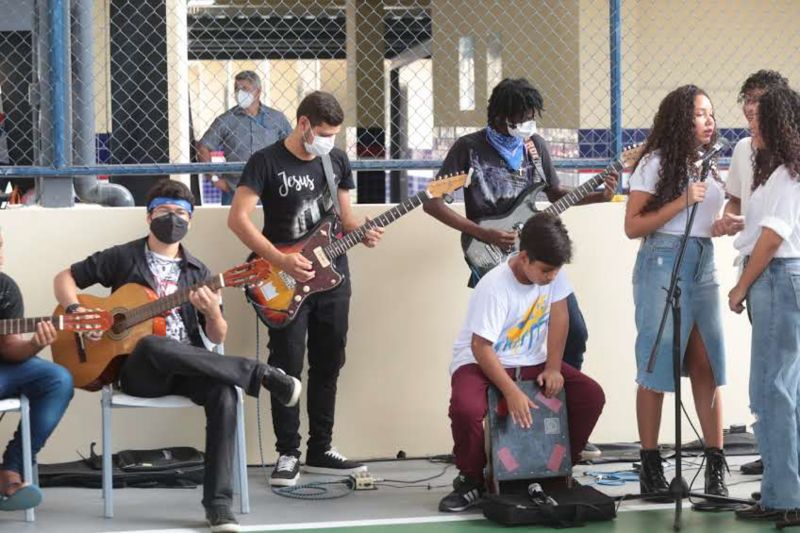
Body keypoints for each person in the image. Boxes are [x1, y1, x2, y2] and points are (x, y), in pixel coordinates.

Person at [53, 180, 301, 533]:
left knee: (225, 393)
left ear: (191, 221)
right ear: (149, 216)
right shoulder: (123, 257)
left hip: (190, 368)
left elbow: (217, 337)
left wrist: (214, 313)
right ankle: (260, 373)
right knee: (153, 344)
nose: (173, 220)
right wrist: (77, 310)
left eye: (181, 214)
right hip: (140, 374)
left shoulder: (199, 273)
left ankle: (218, 505)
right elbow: (64, 277)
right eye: (165, 212)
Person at [228, 91, 383, 488]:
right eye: (324, 132)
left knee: (329, 362)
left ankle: (321, 448)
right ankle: (287, 453)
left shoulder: (337, 160)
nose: (329, 140)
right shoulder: (265, 161)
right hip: (283, 280)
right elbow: (238, 220)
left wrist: (362, 231)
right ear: (303, 124)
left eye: (334, 133)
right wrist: (279, 260)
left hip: (333, 279)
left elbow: (344, 217)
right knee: (286, 368)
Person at [423, 78, 618, 373]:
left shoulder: (534, 147)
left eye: (532, 116)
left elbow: (554, 193)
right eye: (523, 117)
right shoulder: (469, 148)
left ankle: (555, 397)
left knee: (574, 333)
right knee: (503, 339)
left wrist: (600, 197)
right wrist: (482, 232)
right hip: (490, 253)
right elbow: (432, 202)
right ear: (502, 118)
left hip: (536, 252)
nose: (530, 122)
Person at [439, 213, 605, 512]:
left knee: (591, 396)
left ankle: (558, 471)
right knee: (466, 409)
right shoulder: (494, 286)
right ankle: (472, 479)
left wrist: (553, 366)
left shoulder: (553, 274)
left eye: (556, 271)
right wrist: (511, 391)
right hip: (481, 361)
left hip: (531, 359)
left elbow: (560, 316)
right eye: (545, 271)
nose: (551, 277)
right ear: (524, 257)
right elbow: (481, 346)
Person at [624, 84, 728, 498]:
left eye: (711, 114)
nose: (709, 121)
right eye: (700, 114)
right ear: (679, 119)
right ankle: (651, 469)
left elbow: (709, 216)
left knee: (707, 365)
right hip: (664, 260)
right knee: (656, 366)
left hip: (703, 261)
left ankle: (714, 468)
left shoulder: (708, 163)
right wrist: (682, 201)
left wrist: (722, 224)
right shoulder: (655, 162)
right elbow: (633, 226)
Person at [728, 86, 800, 521]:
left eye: (760, 118)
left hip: (777, 279)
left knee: (770, 391)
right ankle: (784, 486)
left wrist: (740, 288)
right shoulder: (784, 170)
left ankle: (784, 497)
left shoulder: (787, 175)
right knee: (788, 389)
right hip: (784, 278)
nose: (751, 125)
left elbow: (772, 237)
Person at [0, 231, 72, 512]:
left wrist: (33, 344)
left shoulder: (4, 288)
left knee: (57, 379)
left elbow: (8, 348)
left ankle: (11, 471)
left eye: (1, 246)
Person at [712, 70, 790, 239]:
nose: (750, 108)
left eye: (758, 100)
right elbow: (735, 201)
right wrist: (729, 220)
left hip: (788, 254)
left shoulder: (793, 151)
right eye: (748, 100)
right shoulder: (743, 148)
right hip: (750, 252)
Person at [198, 71, 293, 205]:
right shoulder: (226, 120)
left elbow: (293, 146)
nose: (239, 93)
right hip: (235, 190)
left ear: (258, 91)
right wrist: (214, 178)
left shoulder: (276, 118)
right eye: (237, 89)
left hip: (271, 189)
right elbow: (203, 147)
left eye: (245, 89)